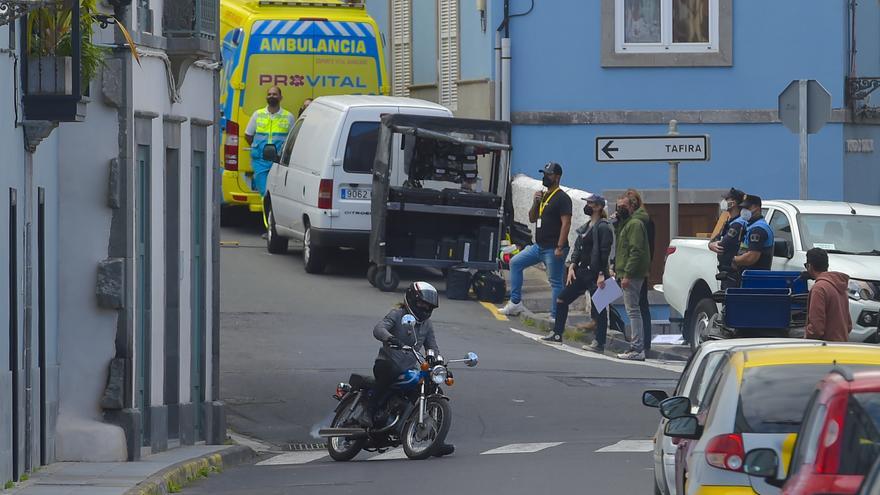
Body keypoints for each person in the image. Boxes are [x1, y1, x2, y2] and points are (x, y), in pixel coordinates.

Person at [371, 282, 454, 456]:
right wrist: (390, 338)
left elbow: (432, 347)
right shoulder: (397, 314)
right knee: (390, 371)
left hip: (408, 368)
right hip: (387, 363)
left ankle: (435, 439)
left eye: (429, 306)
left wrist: (438, 363)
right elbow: (379, 328)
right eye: (422, 304)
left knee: (433, 387)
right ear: (412, 300)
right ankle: (370, 412)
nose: (425, 308)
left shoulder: (427, 324)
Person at [498, 162, 572, 321]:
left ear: (557, 177)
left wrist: (560, 246)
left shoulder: (562, 198)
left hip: (553, 248)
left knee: (555, 282)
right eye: (544, 174)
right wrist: (535, 202)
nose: (545, 177)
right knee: (516, 262)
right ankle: (515, 302)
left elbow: (566, 223)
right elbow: (532, 218)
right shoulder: (543, 196)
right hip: (539, 246)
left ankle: (555, 316)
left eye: (549, 174)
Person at [543, 195, 613, 347]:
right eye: (587, 203)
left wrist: (601, 274)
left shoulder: (604, 227)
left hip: (597, 273)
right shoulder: (586, 226)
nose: (587, 206)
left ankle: (599, 342)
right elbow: (578, 248)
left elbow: (604, 252)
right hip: (582, 271)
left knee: (600, 309)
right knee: (562, 299)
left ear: (599, 207)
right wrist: (572, 265)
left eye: (591, 203)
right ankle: (557, 334)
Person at [613, 194, 651, 361]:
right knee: (633, 309)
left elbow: (636, 251)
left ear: (631, 207)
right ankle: (636, 347)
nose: (619, 208)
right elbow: (622, 246)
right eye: (618, 205)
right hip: (624, 272)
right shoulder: (626, 224)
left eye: (623, 206)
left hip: (632, 274)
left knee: (633, 311)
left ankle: (636, 347)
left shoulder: (635, 224)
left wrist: (627, 274)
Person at [244, 86, 295, 196]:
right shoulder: (257, 114)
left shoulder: (288, 117)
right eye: (269, 94)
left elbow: (292, 140)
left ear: (281, 97)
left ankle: (271, 213)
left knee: (278, 194)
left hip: (279, 161)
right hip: (260, 161)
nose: (272, 96)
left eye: (275, 94)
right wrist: (257, 148)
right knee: (265, 193)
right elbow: (248, 135)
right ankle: (266, 213)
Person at [626, 189, 654, 352]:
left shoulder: (640, 222)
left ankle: (643, 343)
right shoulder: (631, 221)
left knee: (639, 306)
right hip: (628, 267)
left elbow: (640, 248)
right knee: (639, 305)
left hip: (634, 269)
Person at [804, 248, 852, 342]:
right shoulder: (840, 285)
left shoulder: (819, 288)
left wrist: (806, 338)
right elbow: (848, 325)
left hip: (825, 349)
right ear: (827, 265)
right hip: (841, 345)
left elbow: (816, 328)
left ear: (810, 266)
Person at [709, 188, 748, 289]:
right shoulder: (729, 221)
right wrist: (711, 245)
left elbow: (723, 244)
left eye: (726, 199)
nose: (724, 202)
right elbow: (715, 239)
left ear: (733, 203)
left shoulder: (738, 223)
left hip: (734, 273)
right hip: (726, 272)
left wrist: (715, 244)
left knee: (731, 303)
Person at [732, 194, 774, 275]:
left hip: (755, 277)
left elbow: (751, 258)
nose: (743, 211)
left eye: (747, 208)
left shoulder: (758, 229)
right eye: (742, 208)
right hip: (747, 274)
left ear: (756, 208)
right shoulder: (750, 225)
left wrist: (733, 260)